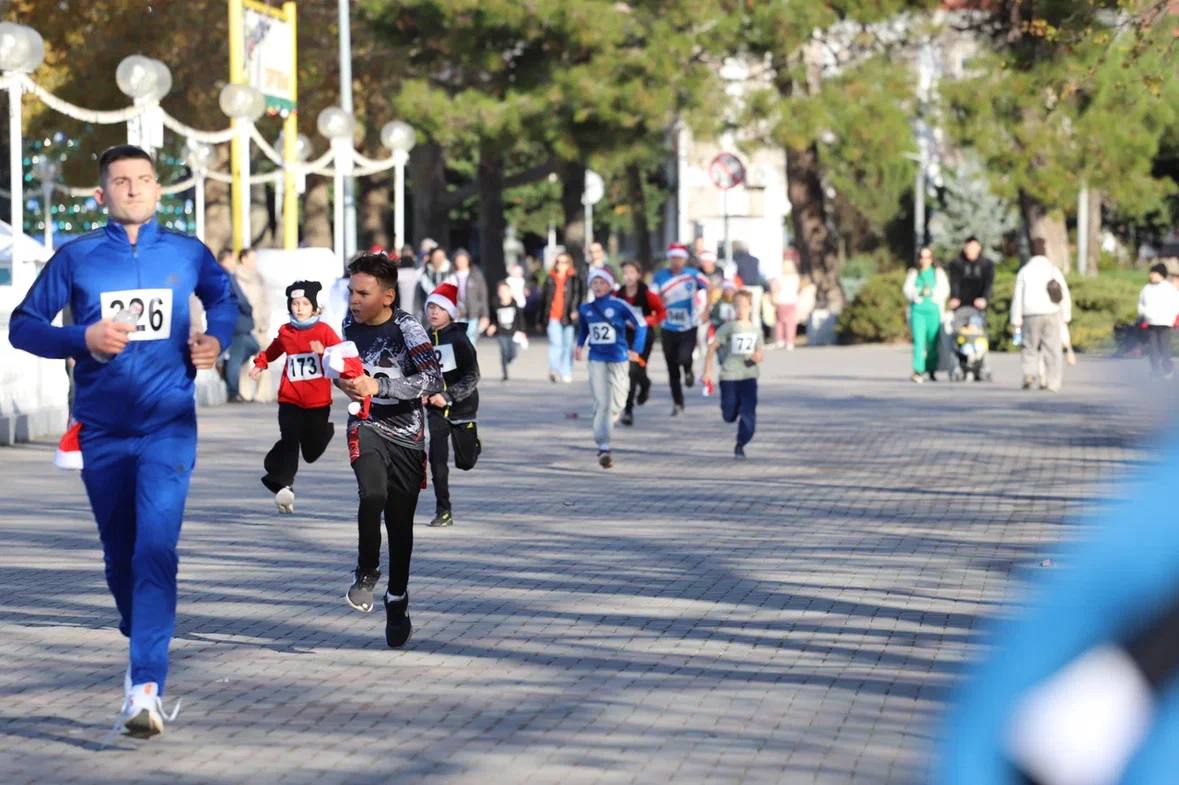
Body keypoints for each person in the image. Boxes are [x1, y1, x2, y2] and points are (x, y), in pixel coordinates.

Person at [8, 144, 236, 736]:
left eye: (143, 180)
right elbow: (23, 326)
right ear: (101, 195)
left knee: (155, 552)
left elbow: (223, 299)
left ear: (159, 191)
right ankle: (144, 634)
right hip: (102, 432)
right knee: (120, 556)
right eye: (120, 181)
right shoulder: (78, 258)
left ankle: (145, 687)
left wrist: (217, 341)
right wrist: (82, 338)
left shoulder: (186, 253)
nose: (133, 189)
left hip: (168, 426)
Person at [337, 253, 443, 648]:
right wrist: (347, 386)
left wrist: (379, 388)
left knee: (400, 528)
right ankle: (366, 572)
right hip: (366, 425)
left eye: (363, 293)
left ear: (387, 296)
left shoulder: (408, 329)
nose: (353, 300)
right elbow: (347, 373)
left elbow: (431, 380)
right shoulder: (349, 325)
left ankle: (397, 598)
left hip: (408, 436)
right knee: (372, 493)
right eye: (351, 291)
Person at [249, 281, 342, 513]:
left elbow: (342, 355)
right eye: (295, 303)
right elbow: (273, 349)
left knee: (310, 451)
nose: (299, 308)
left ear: (315, 308)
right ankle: (284, 486)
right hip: (290, 399)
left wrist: (327, 353)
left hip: (318, 402)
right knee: (290, 440)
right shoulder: (286, 332)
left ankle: (323, 434)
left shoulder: (324, 331)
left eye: (304, 304)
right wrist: (260, 363)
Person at [421, 283, 481, 527]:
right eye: (431, 307)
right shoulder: (423, 338)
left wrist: (448, 396)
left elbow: (473, 375)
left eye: (439, 308)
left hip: (461, 406)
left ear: (450, 312)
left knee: (465, 462)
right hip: (435, 411)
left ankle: (473, 443)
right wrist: (423, 393)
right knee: (437, 460)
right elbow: (418, 371)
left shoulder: (458, 339)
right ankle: (443, 510)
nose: (434, 313)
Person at [575, 268, 645, 468]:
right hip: (596, 358)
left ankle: (607, 421)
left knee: (619, 402)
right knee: (602, 401)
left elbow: (641, 325)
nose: (597, 286)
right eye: (594, 283)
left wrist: (636, 349)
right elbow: (584, 330)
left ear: (610, 285)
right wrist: (579, 346)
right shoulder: (585, 309)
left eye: (601, 282)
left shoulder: (619, 305)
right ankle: (603, 446)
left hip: (619, 358)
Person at [703, 290, 764, 459]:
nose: (740, 309)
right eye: (737, 306)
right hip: (729, 376)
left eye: (744, 306)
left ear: (750, 307)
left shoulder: (756, 330)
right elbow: (711, 347)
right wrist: (707, 371)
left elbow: (760, 353)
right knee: (729, 415)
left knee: (748, 413)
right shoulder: (728, 328)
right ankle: (731, 411)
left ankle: (741, 443)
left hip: (749, 377)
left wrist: (756, 357)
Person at [652, 243, 712, 415]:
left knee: (684, 356)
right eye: (673, 258)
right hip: (667, 325)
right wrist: (657, 305)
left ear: (684, 259)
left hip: (688, 324)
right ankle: (678, 403)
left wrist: (707, 309)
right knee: (671, 366)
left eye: (679, 258)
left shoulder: (693, 275)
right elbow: (652, 295)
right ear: (669, 259)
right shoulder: (660, 276)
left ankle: (688, 368)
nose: (676, 262)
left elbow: (710, 287)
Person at [1011, 238, 1072, 392]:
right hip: (1052, 312)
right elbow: (1063, 292)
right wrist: (1066, 315)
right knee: (1052, 348)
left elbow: (1018, 296)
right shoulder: (1052, 269)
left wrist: (1016, 318)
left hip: (1030, 314)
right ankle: (1053, 382)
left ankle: (1029, 375)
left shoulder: (1025, 271)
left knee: (1029, 347)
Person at [616, 260, 665, 426]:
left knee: (638, 370)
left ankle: (645, 384)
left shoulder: (647, 294)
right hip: (625, 336)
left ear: (638, 275)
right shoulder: (619, 294)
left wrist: (644, 320)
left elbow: (660, 312)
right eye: (625, 272)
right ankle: (628, 411)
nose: (628, 276)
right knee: (630, 371)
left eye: (631, 272)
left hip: (643, 337)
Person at [217, 250, 259, 402]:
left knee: (253, 346)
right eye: (232, 259)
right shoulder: (224, 276)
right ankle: (233, 392)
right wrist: (247, 307)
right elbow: (237, 298)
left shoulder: (225, 275)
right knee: (236, 358)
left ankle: (227, 372)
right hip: (236, 322)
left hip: (239, 322)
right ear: (226, 259)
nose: (234, 262)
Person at [903, 247, 950, 383]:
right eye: (922, 257)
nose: (924, 260)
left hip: (933, 311)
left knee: (932, 341)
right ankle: (918, 370)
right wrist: (918, 293)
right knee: (919, 341)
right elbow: (907, 290)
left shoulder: (938, 273)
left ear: (932, 259)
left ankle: (931, 368)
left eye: (927, 257)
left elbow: (945, 290)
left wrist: (933, 294)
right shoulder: (914, 273)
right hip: (918, 311)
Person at [541, 252, 584, 383]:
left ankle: (566, 371)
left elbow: (579, 295)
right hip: (553, 315)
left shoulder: (574, 278)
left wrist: (575, 309)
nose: (561, 265)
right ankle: (554, 369)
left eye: (564, 262)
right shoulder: (550, 278)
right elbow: (543, 300)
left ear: (569, 264)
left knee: (568, 345)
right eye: (559, 262)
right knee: (556, 343)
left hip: (568, 316)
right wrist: (541, 318)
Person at [1138, 262, 1179, 379]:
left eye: (1154, 273)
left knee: (1164, 348)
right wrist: (1143, 314)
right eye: (1151, 273)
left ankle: (1168, 368)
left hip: (1165, 323)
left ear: (1160, 274)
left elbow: (1176, 304)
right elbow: (1141, 304)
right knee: (1153, 349)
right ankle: (1155, 370)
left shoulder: (1169, 288)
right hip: (1151, 322)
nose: (1151, 275)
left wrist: (1172, 318)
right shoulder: (1147, 288)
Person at [487, 280, 527, 381]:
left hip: (513, 333)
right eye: (501, 291)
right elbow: (493, 318)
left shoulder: (514, 304)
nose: (503, 293)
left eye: (505, 291)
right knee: (503, 351)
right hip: (501, 333)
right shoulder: (496, 304)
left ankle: (509, 359)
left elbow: (520, 319)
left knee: (512, 352)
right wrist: (492, 326)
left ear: (510, 292)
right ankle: (505, 373)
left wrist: (522, 331)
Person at [447, 248, 489, 343]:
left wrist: (485, 315)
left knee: (471, 338)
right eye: (458, 260)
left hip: (473, 313)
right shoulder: (450, 276)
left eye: (463, 259)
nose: (461, 262)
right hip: (458, 314)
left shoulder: (476, 275)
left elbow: (483, 296)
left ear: (468, 260)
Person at [947, 236, 995, 313]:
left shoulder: (987, 264)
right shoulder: (956, 263)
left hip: (978, 305)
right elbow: (954, 282)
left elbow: (988, 284)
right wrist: (954, 297)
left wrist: (984, 298)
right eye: (969, 248)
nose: (971, 251)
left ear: (979, 248)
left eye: (973, 248)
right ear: (965, 248)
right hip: (960, 305)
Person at [726, 241, 766, 331]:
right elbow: (762, 275)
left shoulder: (736, 260)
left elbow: (729, 275)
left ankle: (743, 332)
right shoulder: (755, 260)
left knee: (742, 313)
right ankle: (756, 334)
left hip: (744, 288)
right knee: (755, 314)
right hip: (757, 288)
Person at [772, 257, 801, 350]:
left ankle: (780, 340)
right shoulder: (796, 278)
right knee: (791, 323)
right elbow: (797, 289)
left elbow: (775, 289)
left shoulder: (779, 278)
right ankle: (790, 342)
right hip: (792, 301)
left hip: (781, 302)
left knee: (780, 322)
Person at [414, 246, 451, 319]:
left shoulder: (451, 275)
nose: (439, 259)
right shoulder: (424, 275)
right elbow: (418, 298)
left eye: (441, 257)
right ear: (431, 258)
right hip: (427, 318)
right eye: (436, 257)